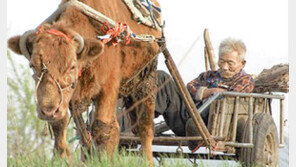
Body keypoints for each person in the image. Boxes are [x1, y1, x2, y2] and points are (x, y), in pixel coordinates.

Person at [155, 38, 255, 151]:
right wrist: (207, 92)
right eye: (221, 61)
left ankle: (195, 132)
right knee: (162, 77)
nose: (224, 67)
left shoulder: (245, 80)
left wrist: (218, 94)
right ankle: (145, 119)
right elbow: (189, 87)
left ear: (242, 64)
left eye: (230, 63)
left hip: (209, 127)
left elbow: (232, 97)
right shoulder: (208, 75)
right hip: (185, 116)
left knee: (216, 102)